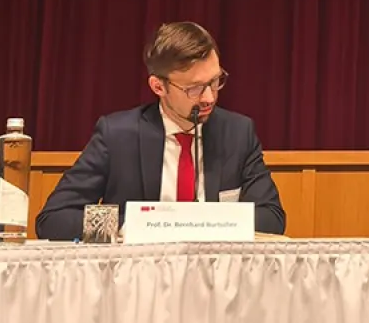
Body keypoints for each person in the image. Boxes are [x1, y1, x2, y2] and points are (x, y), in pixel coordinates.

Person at [34, 21, 285, 239]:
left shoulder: (238, 133)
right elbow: (54, 219)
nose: (209, 97)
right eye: (194, 88)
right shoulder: (117, 135)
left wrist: (203, 223)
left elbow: (271, 218)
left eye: (215, 81)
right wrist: (133, 225)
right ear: (158, 87)